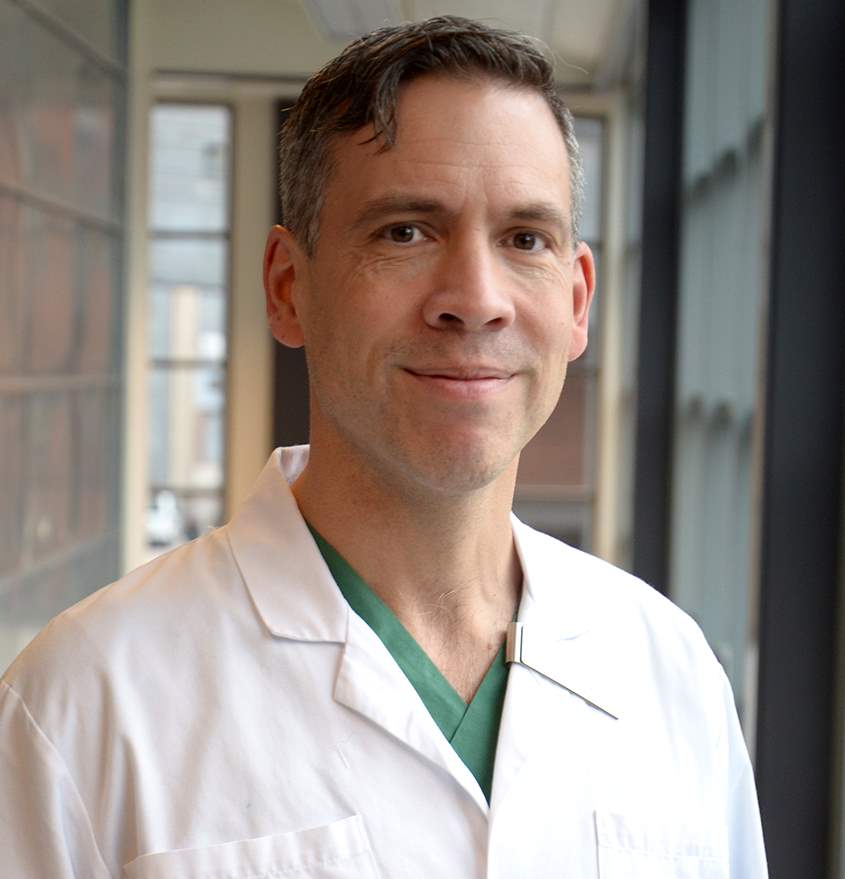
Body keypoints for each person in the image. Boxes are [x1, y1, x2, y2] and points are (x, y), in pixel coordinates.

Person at [0, 16, 767, 878]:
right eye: (405, 231)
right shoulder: (81, 703)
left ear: (577, 300)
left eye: (525, 239)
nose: (474, 299)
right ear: (287, 288)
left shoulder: (670, 673)